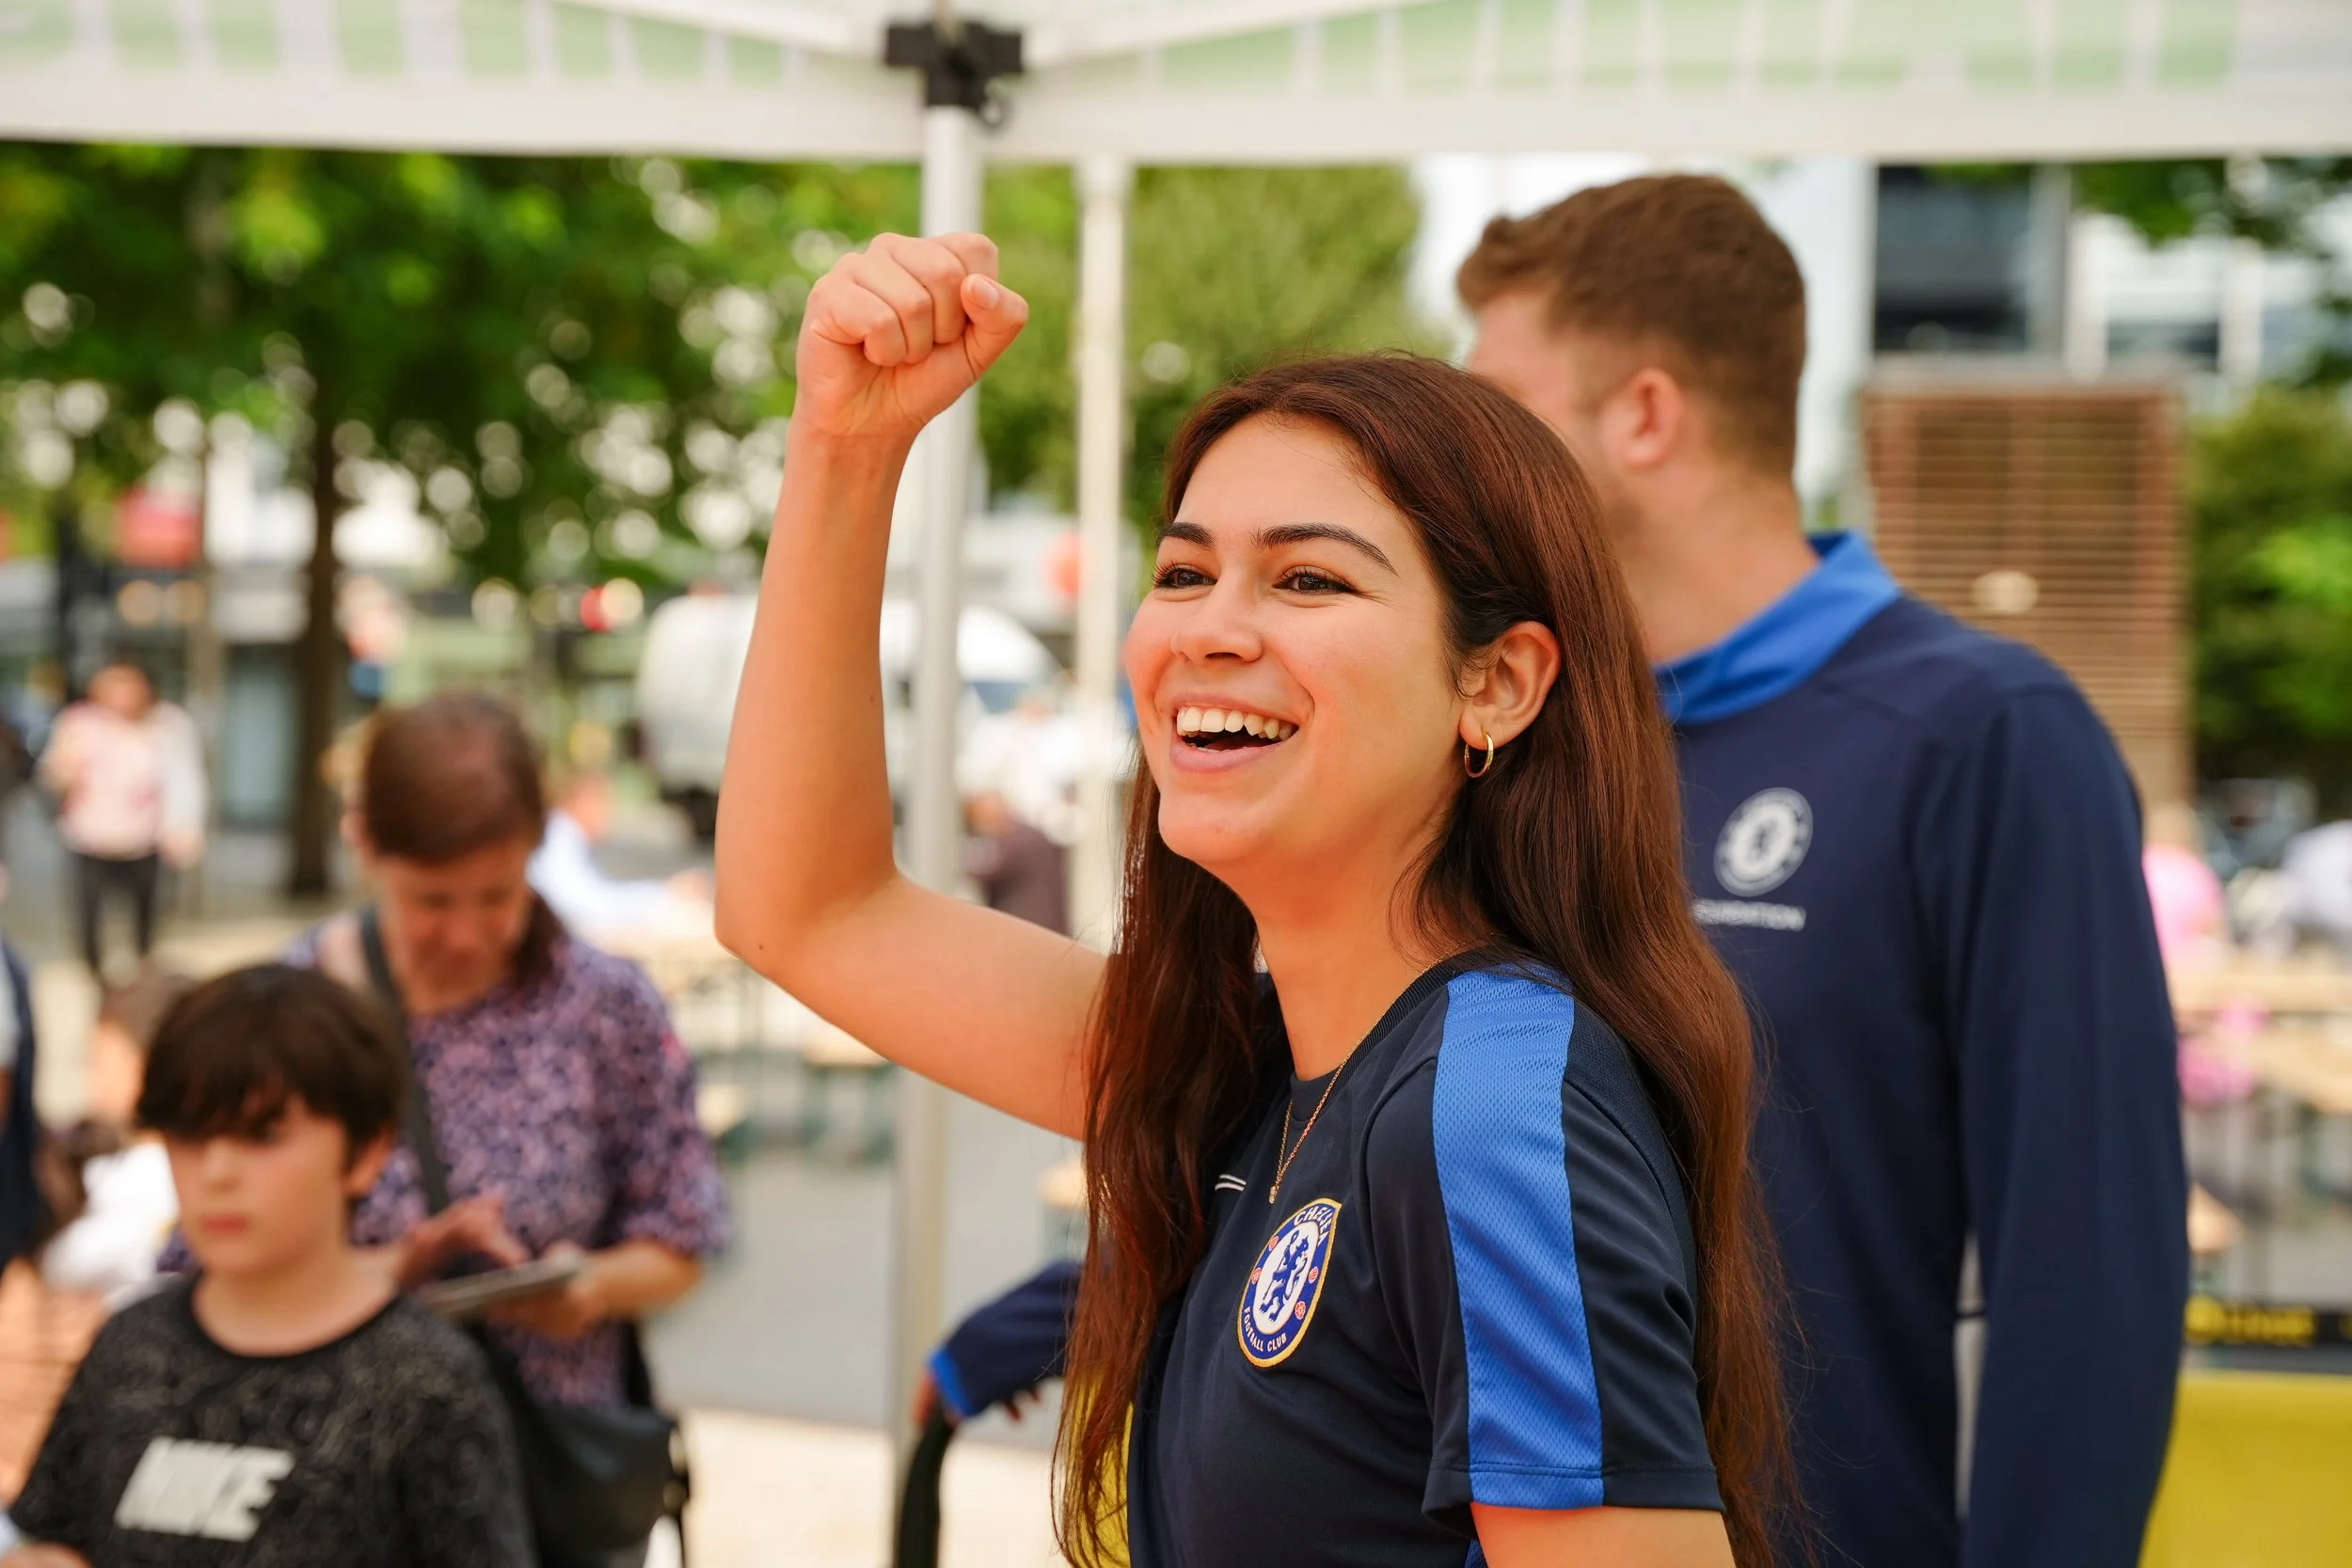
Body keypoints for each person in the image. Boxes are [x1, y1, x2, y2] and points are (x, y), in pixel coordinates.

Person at [717, 233, 1792, 1566]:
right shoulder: (1249, 1060)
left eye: (1310, 577)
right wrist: (845, 446)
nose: (1209, 628)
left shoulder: (1492, 1100)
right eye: (1182, 571)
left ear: (1499, 681)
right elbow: (804, 910)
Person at [1460, 174, 2186, 1568]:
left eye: (1503, 412)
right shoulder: (1511, 734)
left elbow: (2087, 1276)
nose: (1464, 463)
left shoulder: (1984, 735)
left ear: (1647, 414)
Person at [4, 963, 532, 1566]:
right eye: (191, 1137)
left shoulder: (426, 1383)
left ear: (365, 1152)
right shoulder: (130, 1344)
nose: (219, 1173)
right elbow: (50, 1533)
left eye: (263, 1136)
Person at [39, 663, 206, 981]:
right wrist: (63, 772)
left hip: (143, 840)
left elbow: (185, 779)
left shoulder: (166, 725)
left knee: (146, 917)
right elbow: (52, 777)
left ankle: (141, 975)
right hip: (90, 839)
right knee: (88, 917)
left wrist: (184, 826)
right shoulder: (78, 724)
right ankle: (96, 975)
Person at [38, 972, 194, 1303]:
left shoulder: (151, 1170)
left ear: (145, 1065)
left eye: (98, 1060)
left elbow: (63, 1265)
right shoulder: (135, 1157)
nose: (90, 1078)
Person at [527, 771, 710, 937]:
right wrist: (666, 895)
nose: (607, 815)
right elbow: (587, 906)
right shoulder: (561, 838)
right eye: (603, 804)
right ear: (584, 800)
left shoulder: (565, 836)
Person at [962, 788, 1069, 935]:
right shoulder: (1030, 836)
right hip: (1041, 928)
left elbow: (986, 870)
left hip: (1031, 928)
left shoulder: (1019, 841)